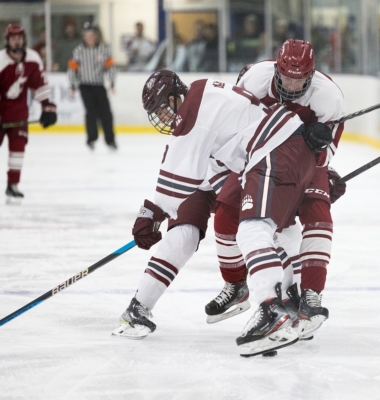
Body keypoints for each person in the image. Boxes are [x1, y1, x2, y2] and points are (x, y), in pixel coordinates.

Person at [112, 69, 334, 357]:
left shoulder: (194, 110)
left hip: (274, 152)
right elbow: (209, 173)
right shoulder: (210, 102)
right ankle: (286, 299)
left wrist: (151, 213)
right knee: (261, 232)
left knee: (254, 230)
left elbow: (177, 174)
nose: (164, 118)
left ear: (175, 96)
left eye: (163, 108)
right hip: (280, 152)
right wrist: (161, 211)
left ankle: (271, 308)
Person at [205, 39, 346, 339]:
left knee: (318, 212)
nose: (293, 84)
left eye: (300, 79)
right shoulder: (255, 80)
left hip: (303, 162)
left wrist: (320, 148)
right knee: (227, 211)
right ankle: (235, 285)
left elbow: (328, 151)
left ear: (311, 74)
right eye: (287, 77)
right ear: (276, 69)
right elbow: (235, 126)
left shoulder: (328, 97)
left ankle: (310, 295)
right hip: (256, 157)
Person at [0, 24, 57, 204]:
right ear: (7, 40)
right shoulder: (0, 61)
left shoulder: (33, 58)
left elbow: (38, 84)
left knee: (18, 150)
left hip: (18, 115)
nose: (16, 40)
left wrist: (47, 106)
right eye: (13, 37)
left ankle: (13, 185)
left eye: (19, 37)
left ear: (24, 39)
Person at [68, 22, 117, 150]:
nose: (89, 37)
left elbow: (111, 67)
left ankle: (110, 140)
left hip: (99, 85)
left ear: (96, 35)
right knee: (91, 112)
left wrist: (112, 82)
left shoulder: (103, 50)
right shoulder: (79, 51)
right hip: (85, 86)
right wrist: (73, 85)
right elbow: (72, 69)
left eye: (92, 34)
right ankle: (91, 139)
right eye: (87, 34)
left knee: (106, 113)